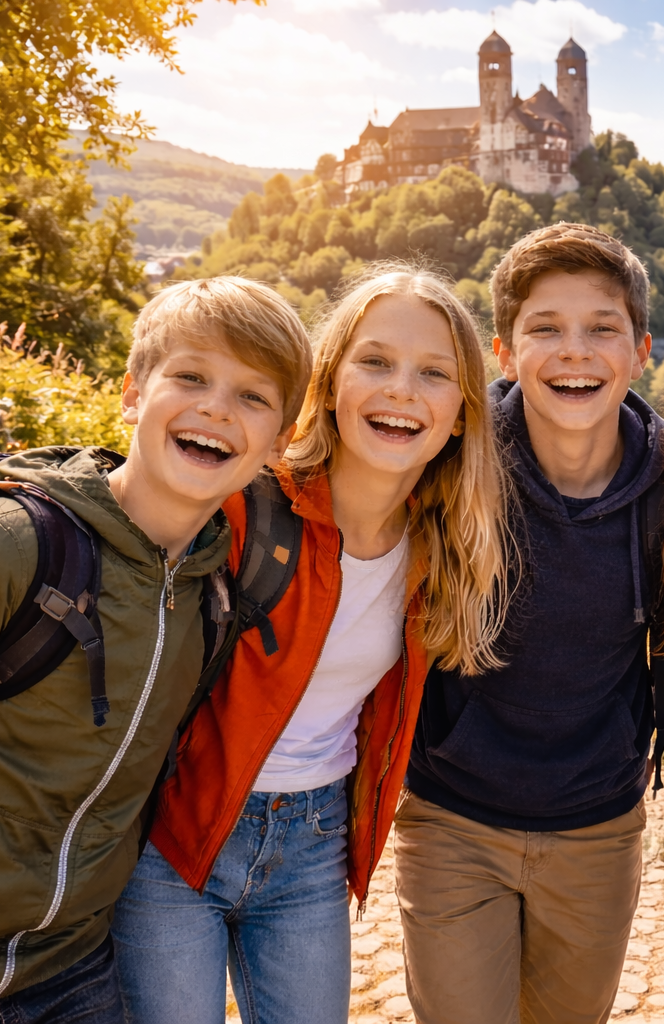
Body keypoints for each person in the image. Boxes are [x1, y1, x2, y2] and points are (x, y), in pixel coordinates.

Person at [0, 278, 310, 1022]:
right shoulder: (6, 548)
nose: (216, 408)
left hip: (70, 976)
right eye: (191, 377)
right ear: (131, 394)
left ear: (278, 442)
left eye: (254, 396)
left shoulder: (215, 595)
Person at [110, 264, 511, 1023]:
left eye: (434, 373)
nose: (401, 390)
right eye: (375, 362)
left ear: (461, 413)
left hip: (311, 847)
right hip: (175, 836)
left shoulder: (443, 547)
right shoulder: (244, 505)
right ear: (328, 383)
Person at [395, 224, 664, 1024]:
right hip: (452, 816)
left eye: (601, 330)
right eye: (545, 329)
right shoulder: (447, 461)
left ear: (641, 348)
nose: (575, 353)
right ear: (505, 352)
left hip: (598, 826)